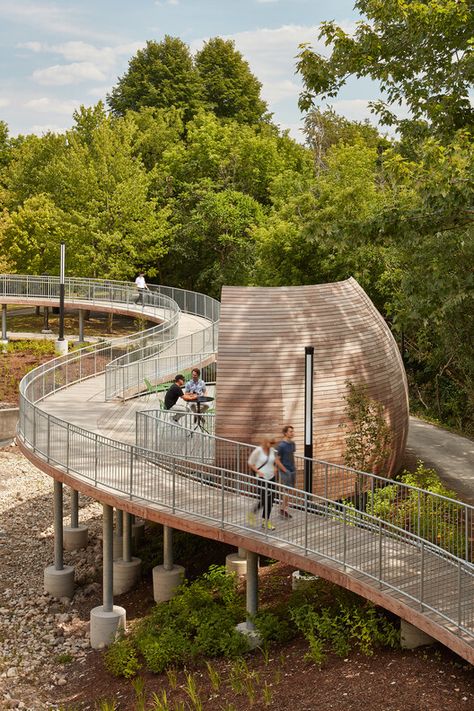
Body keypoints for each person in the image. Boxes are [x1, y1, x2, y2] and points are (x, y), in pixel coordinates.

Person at [247, 436, 277, 530]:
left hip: (271, 477)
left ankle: (265, 521)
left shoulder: (272, 450)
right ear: (265, 442)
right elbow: (250, 463)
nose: (272, 445)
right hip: (262, 477)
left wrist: (275, 468)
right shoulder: (258, 451)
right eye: (270, 443)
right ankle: (252, 513)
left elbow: (273, 461)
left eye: (273, 443)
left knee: (271, 500)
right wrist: (258, 471)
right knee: (264, 499)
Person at [276, 425, 296, 518]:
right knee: (286, 490)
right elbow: (277, 460)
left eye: (292, 431)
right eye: (290, 431)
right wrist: (284, 470)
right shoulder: (281, 446)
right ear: (285, 433)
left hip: (292, 469)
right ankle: (284, 509)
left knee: (290, 490)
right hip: (285, 470)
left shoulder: (292, 444)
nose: (292, 433)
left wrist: (293, 468)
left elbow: (291, 455)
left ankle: (283, 508)